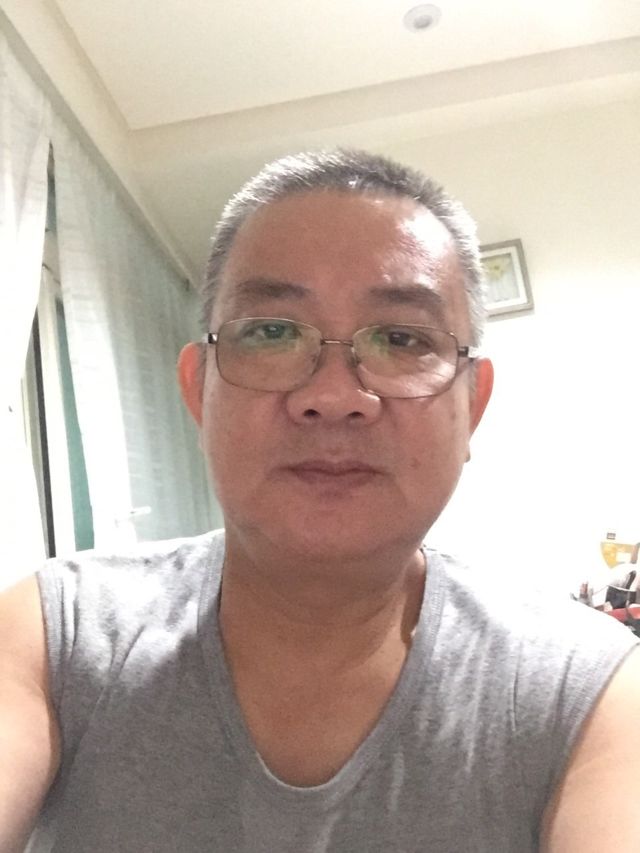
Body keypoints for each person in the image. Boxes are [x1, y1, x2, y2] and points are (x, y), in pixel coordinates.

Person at [1, 149, 639, 853]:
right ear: (197, 390)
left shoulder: (588, 692)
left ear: (473, 407)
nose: (334, 397)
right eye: (272, 331)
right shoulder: (54, 636)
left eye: (401, 338)